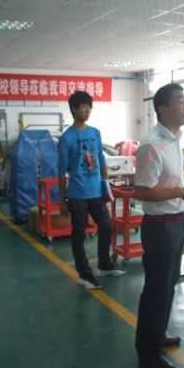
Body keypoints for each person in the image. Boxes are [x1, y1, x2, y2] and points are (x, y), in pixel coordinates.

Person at [133, 83, 184, 368]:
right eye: (180, 102)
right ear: (163, 108)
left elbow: (169, 183)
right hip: (160, 227)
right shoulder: (152, 144)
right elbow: (143, 191)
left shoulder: (174, 139)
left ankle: (158, 333)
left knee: (168, 284)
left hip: (175, 221)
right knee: (156, 289)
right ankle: (148, 353)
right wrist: (182, 191)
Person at [58, 90, 125, 290]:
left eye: (89, 107)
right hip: (77, 194)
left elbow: (101, 160)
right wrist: (62, 201)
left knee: (106, 226)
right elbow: (61, 172)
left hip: (96, 191)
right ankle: (85, 274)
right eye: (83, 107)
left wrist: (106, 185)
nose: (87, 111)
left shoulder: (95, 133)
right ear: (73, 109)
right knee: (78, 235)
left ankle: (104, 265)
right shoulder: (67, 138)